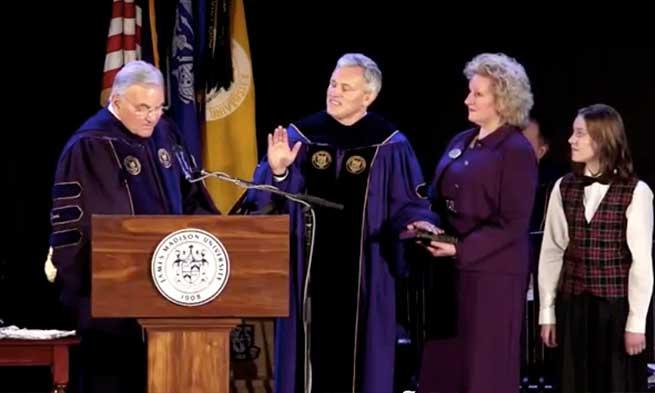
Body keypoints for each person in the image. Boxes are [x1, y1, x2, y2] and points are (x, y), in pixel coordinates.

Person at [242, 53, 433, 393]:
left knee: (360, 362)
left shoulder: (389, 143)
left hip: (365, 270)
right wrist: (280, 170)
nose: (335, 92)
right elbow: (266, 201)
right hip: (308, 273)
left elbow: (408, 204)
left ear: (368, 97)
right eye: (333, 83)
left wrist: (418, 225)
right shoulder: (301, 136)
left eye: (346, 87)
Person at [48, 60, 218, 393]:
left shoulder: (166, 132)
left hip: (172, 296)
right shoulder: (90, 145)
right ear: (116, 100)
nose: (151, 116)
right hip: (113, 310)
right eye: (142, 108)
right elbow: (77, 231)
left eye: (157, 107)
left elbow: (192, 196)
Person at [412, 52, 537, 393]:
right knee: (444, 367)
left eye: (478, 93)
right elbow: (436, 199)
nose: (467, 99)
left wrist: (460, 249)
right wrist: (426, 224)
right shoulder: (460, 141)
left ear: (503, 99)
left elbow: (513, 223)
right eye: (470, 91)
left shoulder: (515, 150)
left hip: (492, 278)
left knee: (483, 370)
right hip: (450, 274)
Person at [538, 103, 653, 393]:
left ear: (602, 139)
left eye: (580, 134)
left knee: (616, 384)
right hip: (573, 306)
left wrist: (636, 321)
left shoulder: (636, 192)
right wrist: (547, 312)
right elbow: (552, 252)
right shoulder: (563, 187)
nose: (570, 140)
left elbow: (641, 263)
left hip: (614, 309)